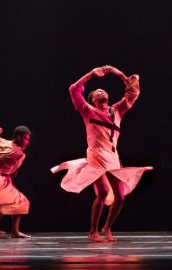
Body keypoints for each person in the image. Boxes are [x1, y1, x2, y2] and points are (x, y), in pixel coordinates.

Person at [51, 65, 153, 242]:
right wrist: (91, 74)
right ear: (92, 100)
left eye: (103, 90)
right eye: (97, 92)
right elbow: (73, 90)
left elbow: (133, 92)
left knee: (120, 197)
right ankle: (93, 231)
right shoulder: (88, 111)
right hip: (96, 155)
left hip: (113, 157)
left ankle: (107, 227)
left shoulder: (117, 110)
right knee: (104, 192)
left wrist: (119, 74)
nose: (101, 91)